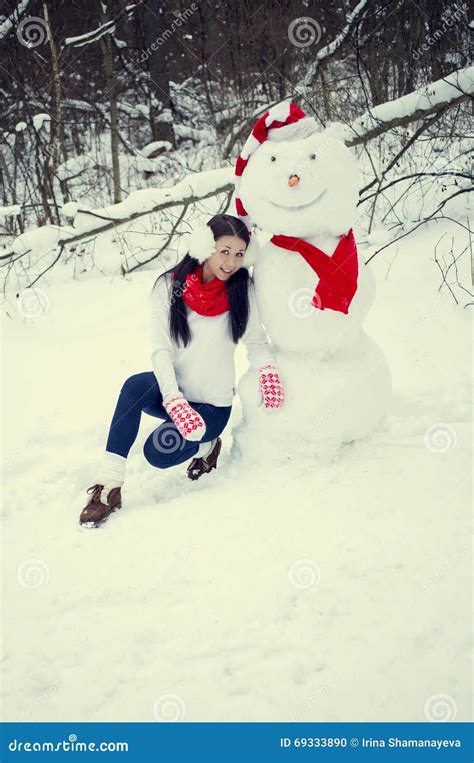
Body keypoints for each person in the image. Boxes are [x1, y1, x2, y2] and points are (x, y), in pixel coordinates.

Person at [80, 214, 284, 527]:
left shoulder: (242, 289)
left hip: (212, 406)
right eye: (224, 251)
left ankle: (208, 445)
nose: (231, 262)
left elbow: (256, 342)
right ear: (205, 246)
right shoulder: (167, 286)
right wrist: (174, 402)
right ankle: (109, 485)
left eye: (240, 254)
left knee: (157, 452)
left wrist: (267, 371)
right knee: (135, 386)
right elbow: (161, 351)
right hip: (175, 393)